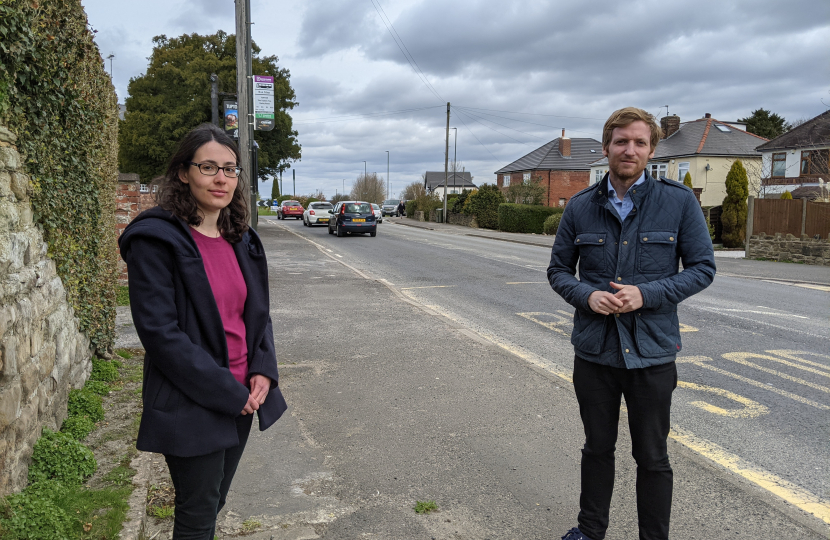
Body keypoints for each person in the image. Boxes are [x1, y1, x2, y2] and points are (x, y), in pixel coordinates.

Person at [547, 107, 715, 540]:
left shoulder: (678, 203)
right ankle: (590, 531)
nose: (630, 150)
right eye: (621, 142)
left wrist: (647, 294)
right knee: (597, 449)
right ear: (606, 148)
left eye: (640, 143)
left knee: (653, 456)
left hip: (652, 353)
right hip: (595, 352)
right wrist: (587, 295)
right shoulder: (581, 206)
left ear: (652, 150)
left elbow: (702, 268)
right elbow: (559, 271)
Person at [119, 123, 287, 539]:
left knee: (214, 503)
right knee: (196, 515)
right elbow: (161, 334)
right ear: (183, 173)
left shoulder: (240, 238)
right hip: (192, 398)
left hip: (243, 396)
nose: (221, 179)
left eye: (230, 169)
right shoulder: (155, 240)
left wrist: (264, 368)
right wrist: (230, 393)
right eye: (208, 167)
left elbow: (257, 316)